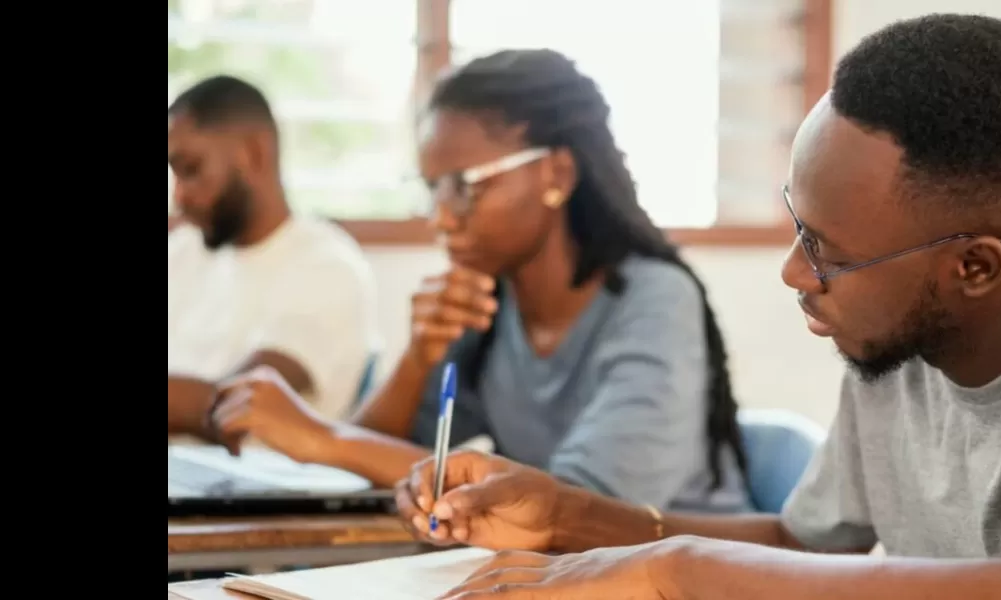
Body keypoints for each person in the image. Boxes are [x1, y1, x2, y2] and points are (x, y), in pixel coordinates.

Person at [394, 14, 1001, 600]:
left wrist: (675, 571)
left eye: (828, 253)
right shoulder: (898, 344)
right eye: (797, 227)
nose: (792, 272)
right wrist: (565, 517)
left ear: (973, 266)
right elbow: (803, 547)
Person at [210, 49, 753, 514]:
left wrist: (320, 437)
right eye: (433, 190)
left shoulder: (654, 300)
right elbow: (378, 463)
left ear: (557, 174)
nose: (442, 217)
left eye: (464, 186)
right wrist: (417, 360)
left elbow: (584, 508)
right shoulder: (491, 306)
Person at [168, 74, 382, 443]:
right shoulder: (185, 250)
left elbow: (235, 408)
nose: (180, 196)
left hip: (255, 493)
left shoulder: (327, 267)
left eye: (191, 169)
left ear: (254, 153)